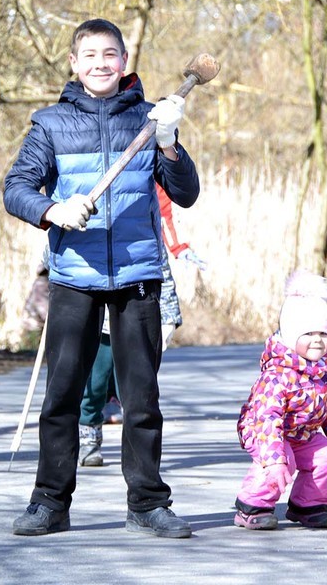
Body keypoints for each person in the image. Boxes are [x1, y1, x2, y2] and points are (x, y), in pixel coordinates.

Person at [3, 18, 200, 538]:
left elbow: (185, 193)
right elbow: (15, 188)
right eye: (89, 55)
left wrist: (170, 143)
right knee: (62, 396)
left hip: (138, 276)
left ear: (123, 59)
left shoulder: (151, 117)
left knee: (141, 399)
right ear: (74, 63)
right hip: (75, 277)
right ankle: (50, 503)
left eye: (109, 54)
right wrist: (52, 210)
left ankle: (148, 504)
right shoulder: (50, 124)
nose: (99, 63)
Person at [78, 185, 206, 467]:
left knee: (138, 384)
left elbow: (166, 212)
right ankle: (89, 434)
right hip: (99, 285)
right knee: (96, 377)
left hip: (142, 292)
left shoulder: (146, 180)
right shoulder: (95, 176)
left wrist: (179, 248)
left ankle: (136, 449)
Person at [233, 270, 327, 531]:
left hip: (301, 434)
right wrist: (275, 458)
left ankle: (308, 505)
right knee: (282, 459)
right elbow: (267, 420)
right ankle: (252, 505)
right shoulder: (277, 375)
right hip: (263, 432)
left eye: (323, 334)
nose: (317, 341)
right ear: (291, 335)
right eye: (308, 334)